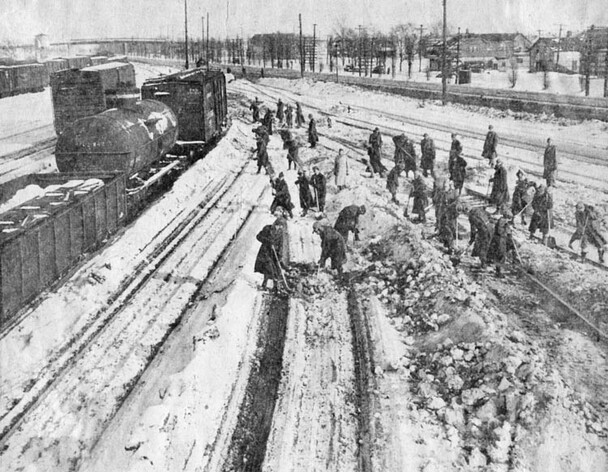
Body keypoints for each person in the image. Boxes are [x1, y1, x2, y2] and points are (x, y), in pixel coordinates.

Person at [254, 224, 283, 291]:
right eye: (278, 225)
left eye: (281, 226)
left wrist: (279, 253)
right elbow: (258, 236)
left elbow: (280, 243)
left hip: (274, 253)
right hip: (265, 252)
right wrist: (269, 242)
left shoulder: (280, 232)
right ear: (275, 224)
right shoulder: (267, 228)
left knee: (275, 269)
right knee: (267, 268)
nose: (279, 227)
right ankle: (265, 285)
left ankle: (275, 287)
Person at [488, 210, 516, 276]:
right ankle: (498, 272)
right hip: (500, 239)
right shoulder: (502, 221)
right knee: (500, 254)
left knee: (500, 254)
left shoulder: (502, 220)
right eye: (509, 218)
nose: (509, 219)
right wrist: (508, 231)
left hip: (499, 239)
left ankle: (499, 269)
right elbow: (500, 231)